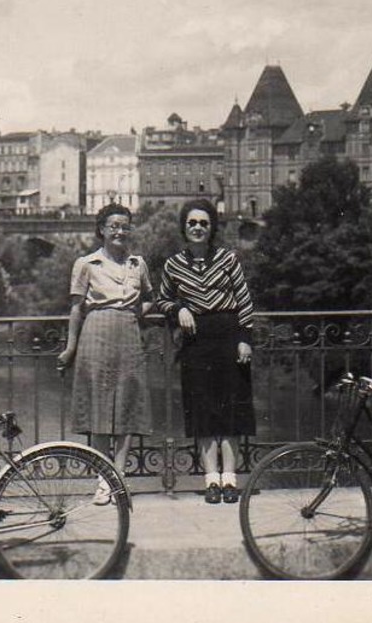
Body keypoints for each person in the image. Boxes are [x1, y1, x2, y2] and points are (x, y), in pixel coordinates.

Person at [157, 199, 257, 505]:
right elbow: (162, 300)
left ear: (211, 228)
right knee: (202, 410)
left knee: (231, 410)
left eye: (203, 223)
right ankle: (210, 480)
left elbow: (244, 300)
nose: (198, 228)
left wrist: (244, 338)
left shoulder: (228, 260)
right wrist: (178, 309)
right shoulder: (173, 265)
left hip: (228, 337)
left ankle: (230, 479)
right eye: (192, 223)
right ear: (184, 228)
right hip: (196, 342)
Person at [58, 203, 156, 505]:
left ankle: (119, 476)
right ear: (101, 229)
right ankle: (103, 479)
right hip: (95, 332)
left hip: (128, 332)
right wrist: (71, 346)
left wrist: (134, 314)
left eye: (125, 226)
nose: (120, 231)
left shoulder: (137, 264)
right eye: (113, 225)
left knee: (126, 404)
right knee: (100, 407)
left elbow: (150, 298)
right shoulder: (86, 263)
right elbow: (76, 308)